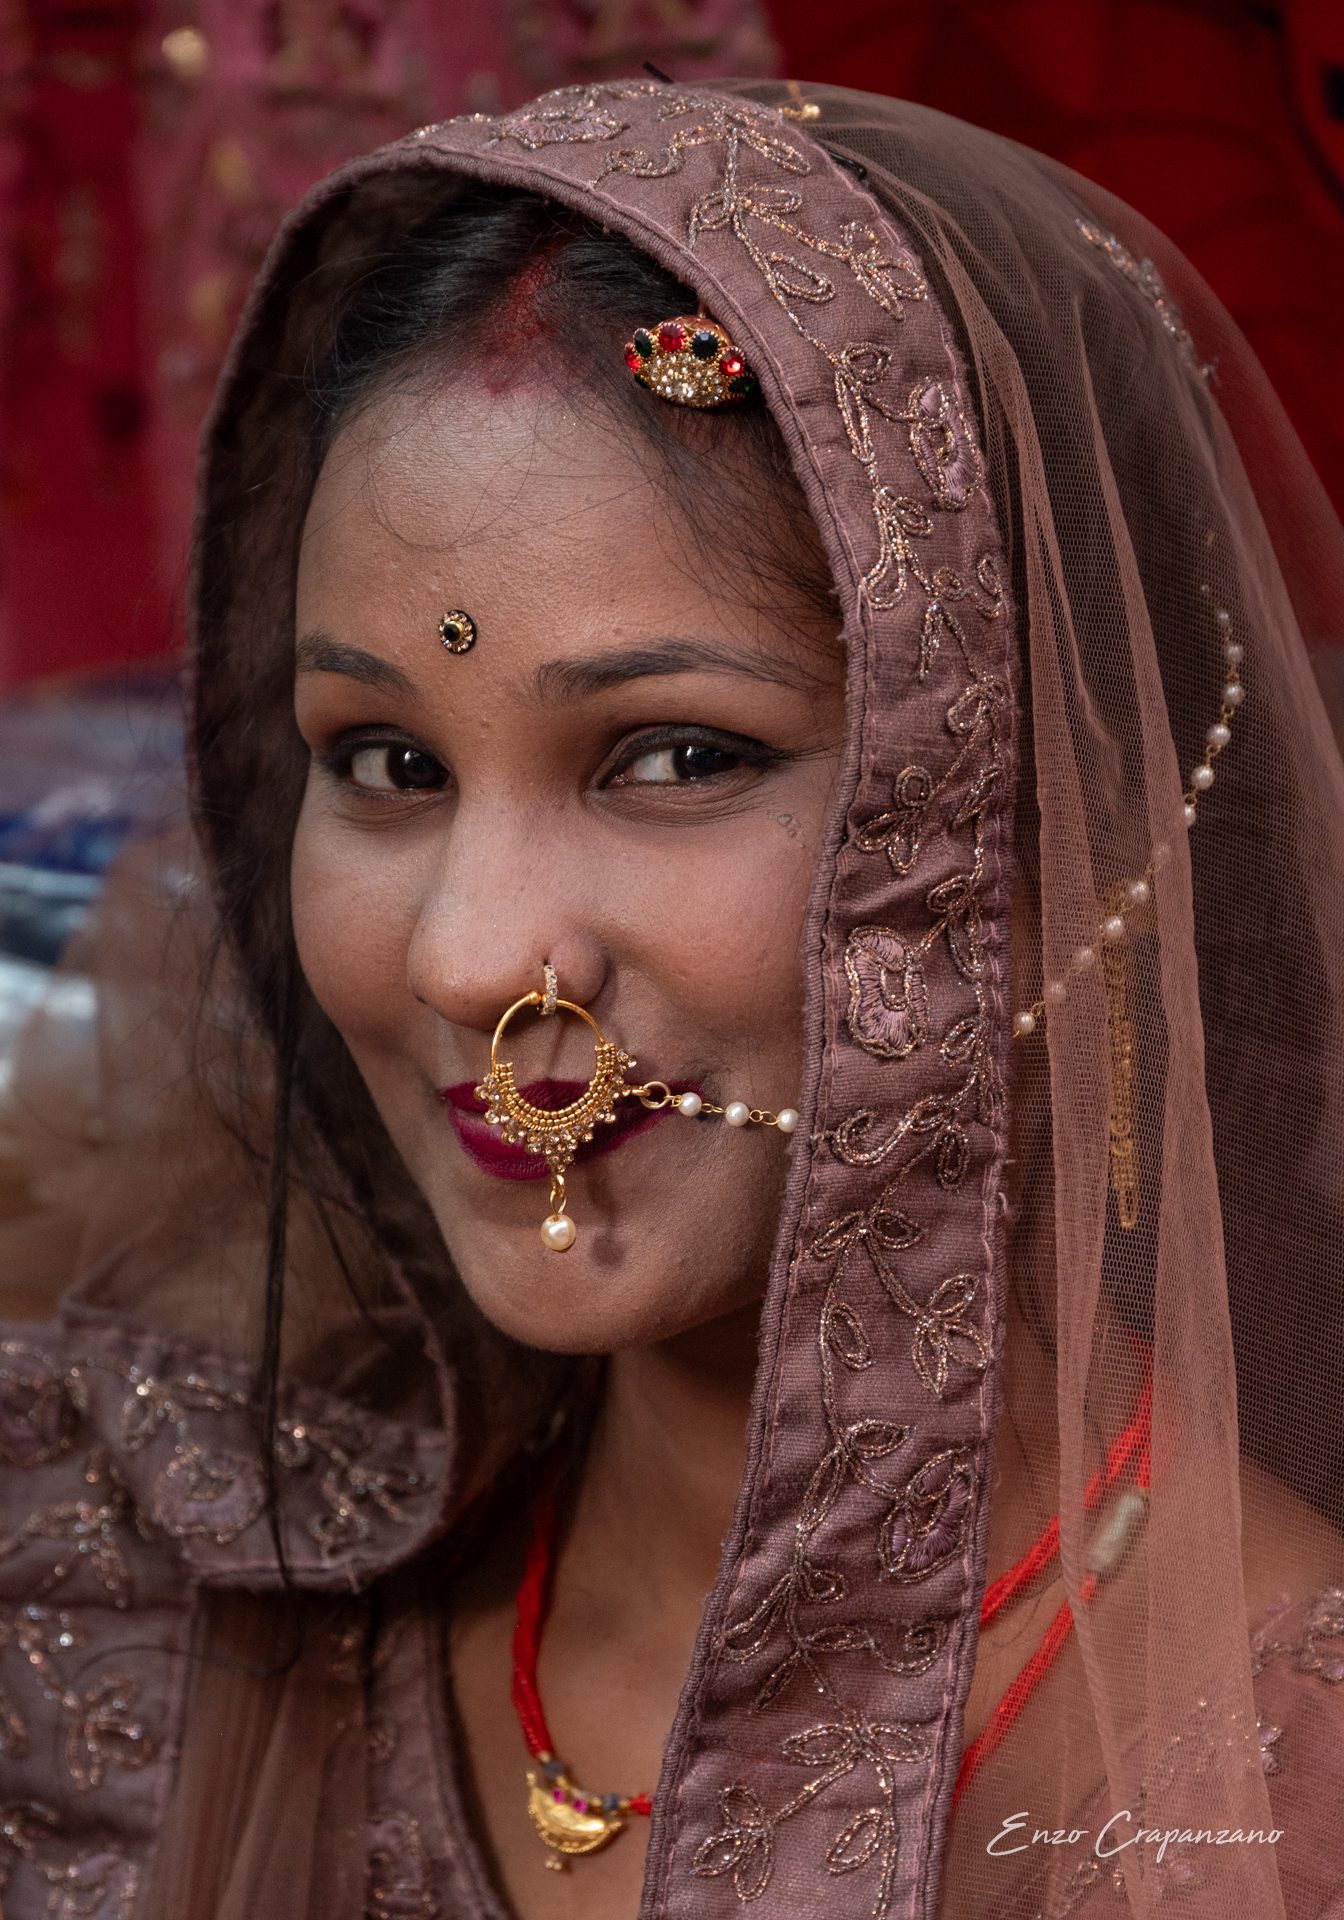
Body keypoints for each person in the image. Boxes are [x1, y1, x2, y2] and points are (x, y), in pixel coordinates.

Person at [2, 76, 1342, 1920]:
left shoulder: (1258, 1802)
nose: (470, 957)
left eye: (672, 755)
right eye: (385, 763)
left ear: (1038, 826)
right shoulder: (155, 1567)